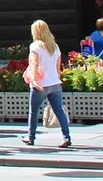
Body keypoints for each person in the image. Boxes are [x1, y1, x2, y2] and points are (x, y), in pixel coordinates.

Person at [22, 19, 72, 148]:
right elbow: (58, 67)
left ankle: (31, 136)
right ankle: (66, 137)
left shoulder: (35, 46)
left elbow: (34, 63)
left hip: (41, 83)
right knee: (59, 110)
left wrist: (33, 80)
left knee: (33, 111)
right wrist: (57, 80)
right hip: (55, 83)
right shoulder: (55, 46)